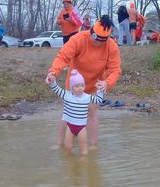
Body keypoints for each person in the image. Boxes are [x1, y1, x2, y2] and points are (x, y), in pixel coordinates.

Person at [47, 15, 121, 149]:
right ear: (91, 31)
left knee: (92, 113)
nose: (97, 43)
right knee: (68, 114)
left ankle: (92, 145)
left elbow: (115, 70)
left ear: (107, 39)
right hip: (74, 84)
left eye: (101, 41)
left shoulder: (112, 46)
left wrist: (107, 83)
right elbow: (63, 57)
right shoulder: (78, 39)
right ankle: (60, 143)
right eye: (94, 38)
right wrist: (53, 72)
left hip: (94, 84)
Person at [46, 69, 103, 155]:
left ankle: (83, 161)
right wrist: (52, 82)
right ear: (71, 88)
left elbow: (98, 100)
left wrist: (100, 90)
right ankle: (70, 163)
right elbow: (56, 89)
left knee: (84, 150)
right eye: (77, 86)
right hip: (70, 127)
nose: (80, 88)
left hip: (81, 129)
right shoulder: (66, 95)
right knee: (68, 147)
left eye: (82, 85)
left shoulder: (87, 97)